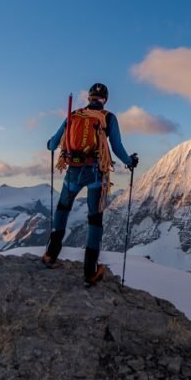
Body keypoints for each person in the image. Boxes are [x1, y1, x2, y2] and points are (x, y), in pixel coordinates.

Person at [42, 82, 138, 285]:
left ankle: (50, 255)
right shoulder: (108, 118)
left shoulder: (74, 115)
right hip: (95, 173)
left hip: (73, 172)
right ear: (105, 99)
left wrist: (50, 144)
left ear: (89, 98)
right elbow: (117, 146)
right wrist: (130, 162)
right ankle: (89, 271)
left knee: (62, 209)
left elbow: (53, 143)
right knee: (94, 220)